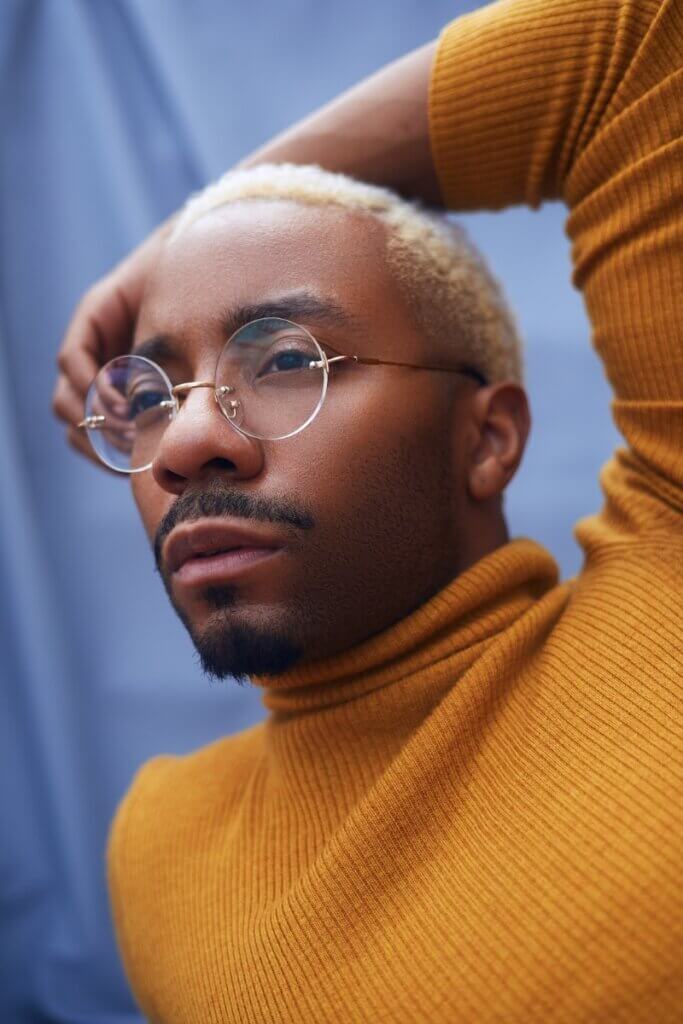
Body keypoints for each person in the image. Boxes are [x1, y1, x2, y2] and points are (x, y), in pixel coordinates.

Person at [54, 0, 682, 1020]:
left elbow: (634, 45)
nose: (182, 444)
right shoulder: (162, 845)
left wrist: (201, 219)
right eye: (153, 395)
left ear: (486, 438)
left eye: (287, 361)